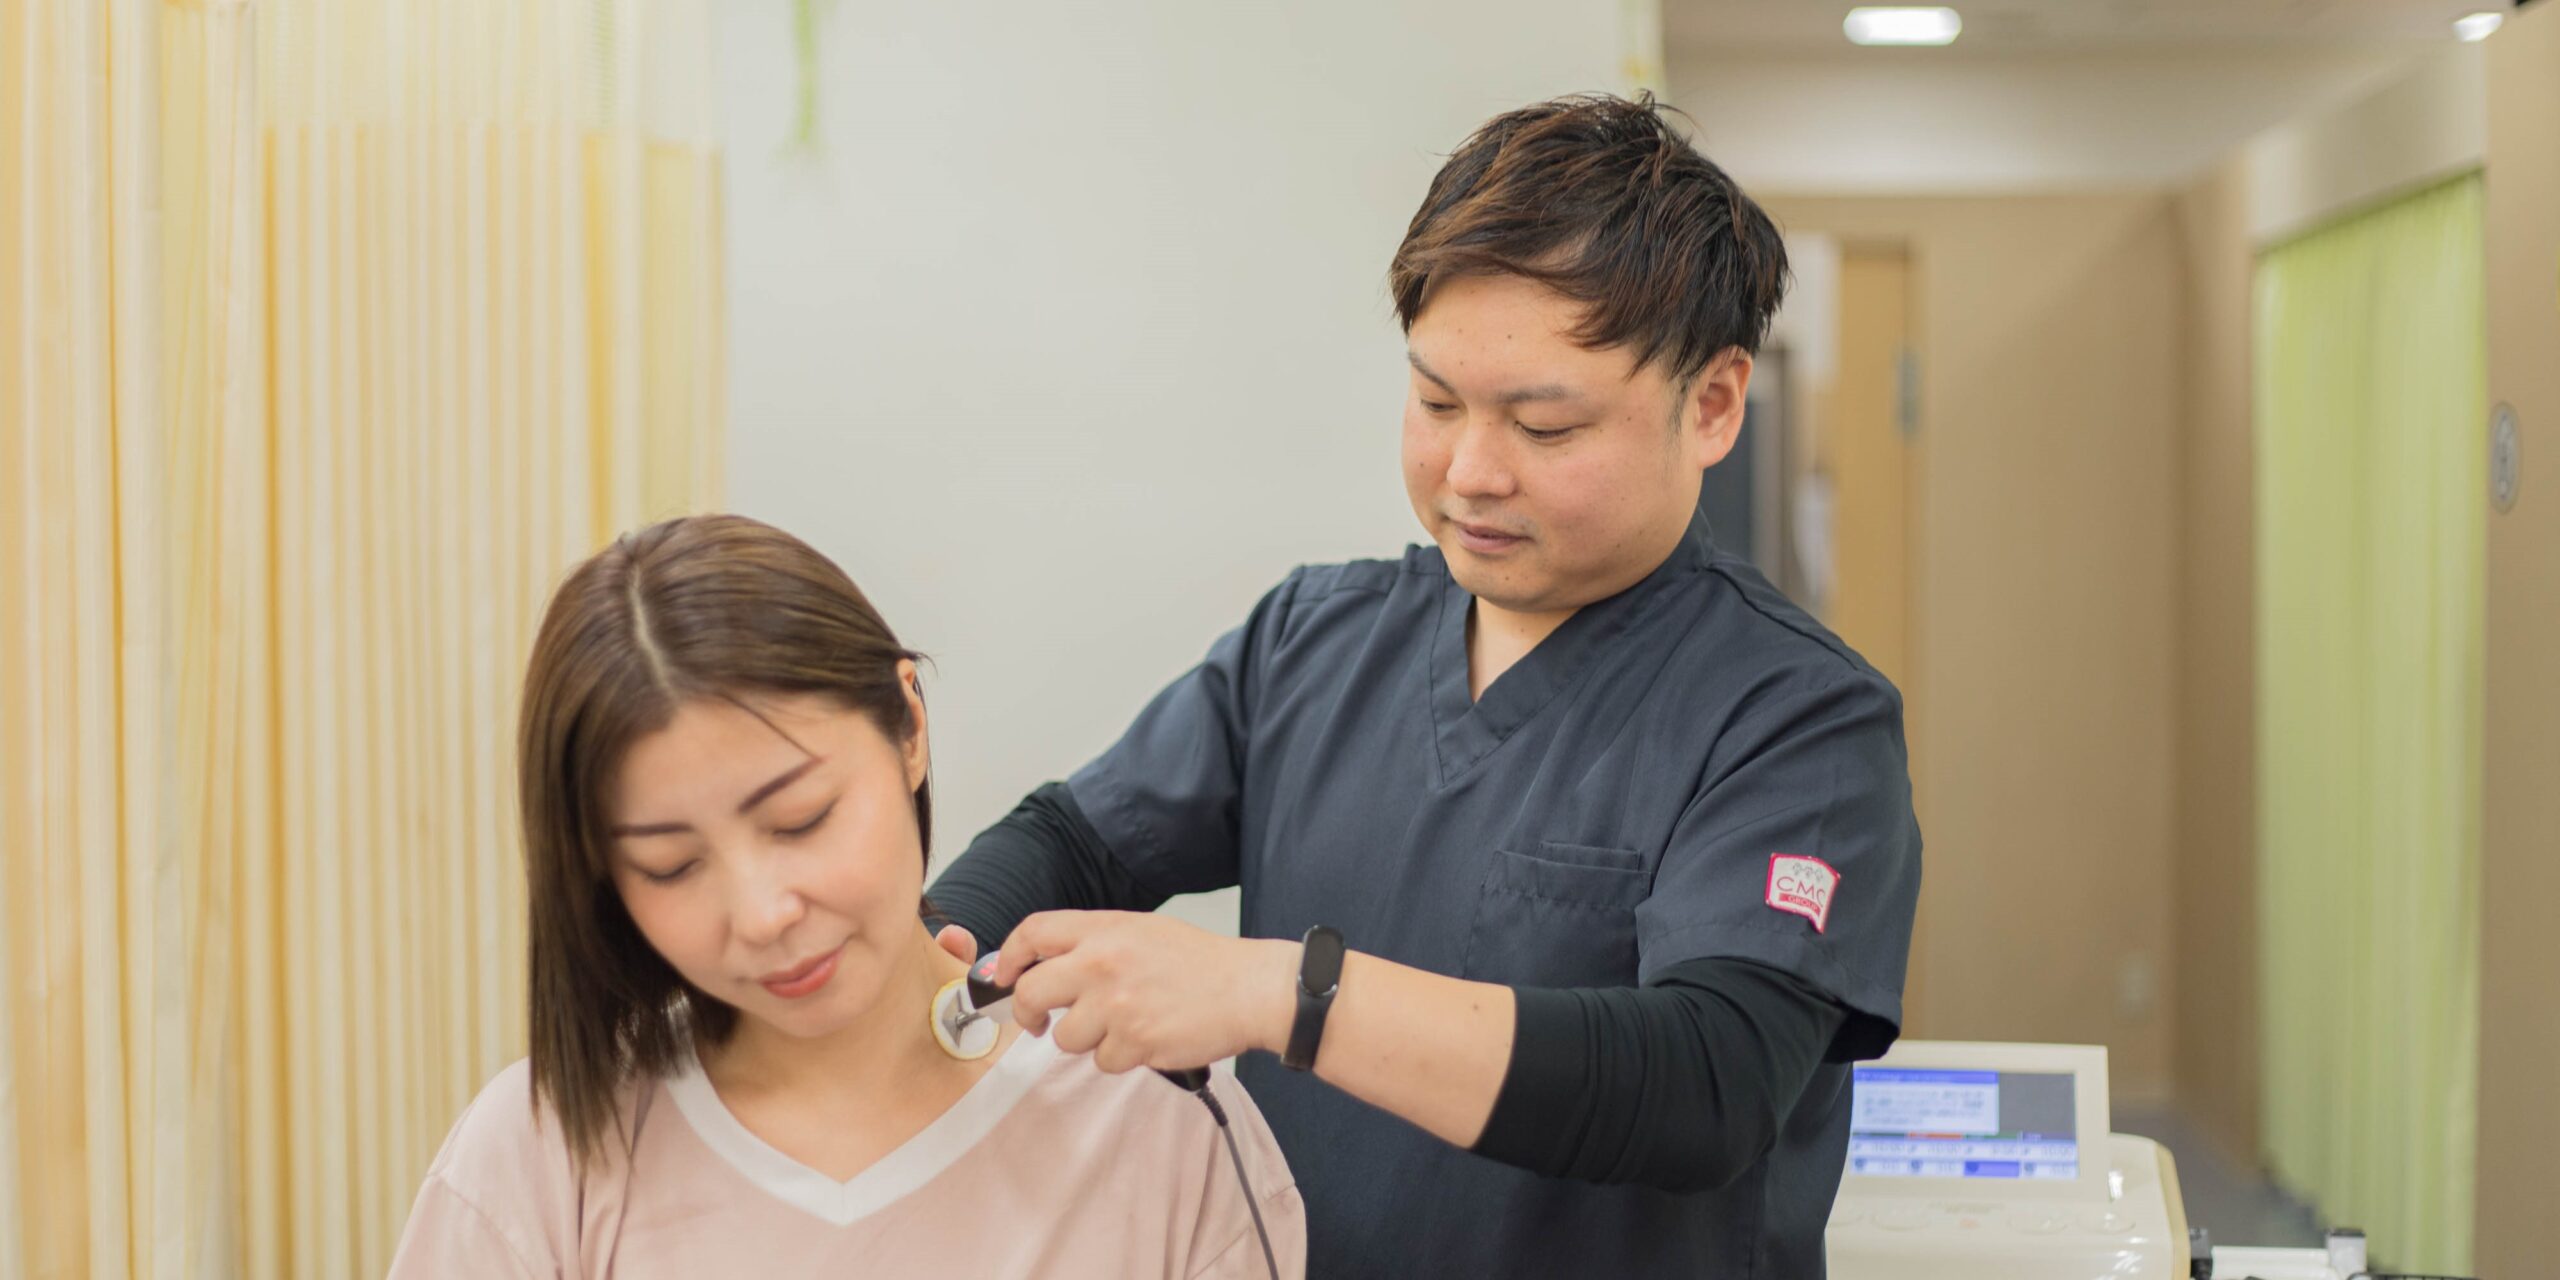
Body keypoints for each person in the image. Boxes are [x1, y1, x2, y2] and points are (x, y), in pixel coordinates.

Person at [925, 93, 1922, 1279]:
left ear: (1709, 405)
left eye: (1543, 426)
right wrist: (916, 973)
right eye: (1436, 401)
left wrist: (1282, 991)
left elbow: (1703, 1081)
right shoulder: (1316, 639)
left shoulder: (1794, 720)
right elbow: (1073, 839)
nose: (1469, 470)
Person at [387, 514, 1306, 1279]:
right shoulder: (540, 1154)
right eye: (671, 867)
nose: (761, 915)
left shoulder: (1151, 1122)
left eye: (799, 820)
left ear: (909, 724)